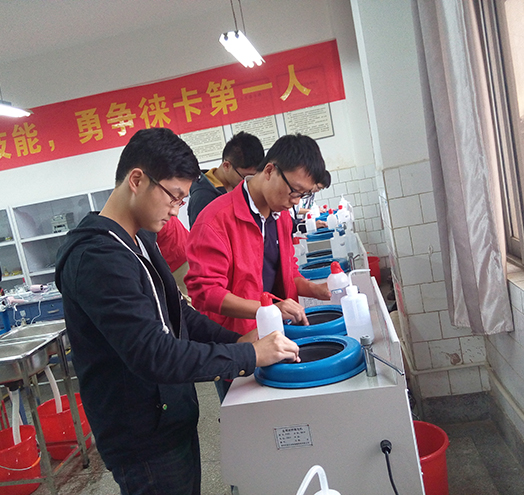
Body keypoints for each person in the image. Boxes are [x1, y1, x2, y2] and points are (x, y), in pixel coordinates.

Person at [54, 128, 299, 495]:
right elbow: (154, 354)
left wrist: (238, 341)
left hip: (171, 420)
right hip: (142, 440)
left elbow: (180, 314)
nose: (177, 208)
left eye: (183, 198)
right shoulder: (98, 258)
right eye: (174, 196)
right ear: (137, 180)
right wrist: (249, 355)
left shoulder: (140, 240)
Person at [185, 134, 332, 397]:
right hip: (239, 344)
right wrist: (268, 310)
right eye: (294, 190)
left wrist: (317, 289)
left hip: (280, 336)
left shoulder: (281, 216)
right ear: (270, 170)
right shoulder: (215, 219)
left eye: (304, 194)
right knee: (251, 412)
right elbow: (206, 292)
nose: (296, 201)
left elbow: (287, 271)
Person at [187, 131, 265, 227]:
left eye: (254, 177)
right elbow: (199, 234)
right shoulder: (202, 197)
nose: (249, 182)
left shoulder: (240, 186)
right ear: (226, 166)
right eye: (245, 177)